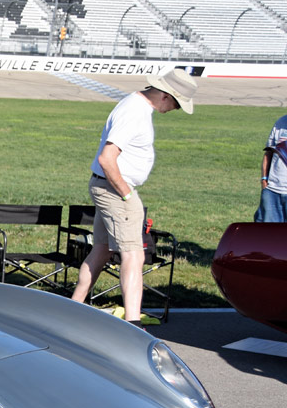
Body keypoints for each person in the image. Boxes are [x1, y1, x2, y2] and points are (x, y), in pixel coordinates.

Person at [70, 69, 197, 326]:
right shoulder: (135, 111)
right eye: (176, 104)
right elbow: (107, 158)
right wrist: (127, 194)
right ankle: (133, 324)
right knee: (134, 256)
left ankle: (72, 309)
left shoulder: (135, 105)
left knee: (101, 251)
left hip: (107, 186)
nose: (175, 109)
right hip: (116, 189)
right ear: (165, 95)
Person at [254, 114, 287, 223]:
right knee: (268, 231)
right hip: (272, 190)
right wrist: (264, 179)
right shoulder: (280, 123)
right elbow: (268, 152)